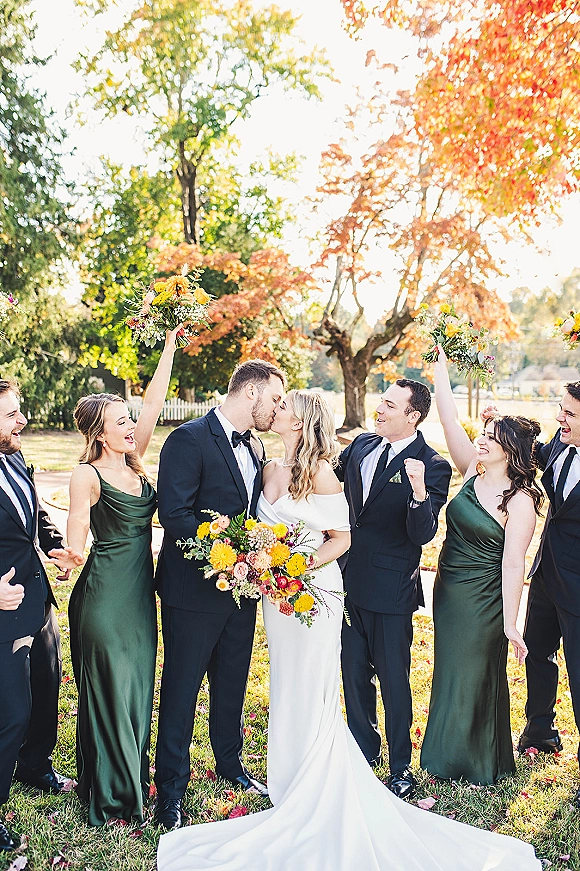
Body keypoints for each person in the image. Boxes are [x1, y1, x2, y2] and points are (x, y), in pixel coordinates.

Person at [156, 389, 541, 871]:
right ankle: (287, 773)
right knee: (292, 682)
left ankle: (365, 770)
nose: (275, 412)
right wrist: (259, 565)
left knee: (345, 682)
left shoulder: (392, 468)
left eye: (283, 408)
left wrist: (292, 568)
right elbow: (258, 524)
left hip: (321, 590)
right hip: (279, 598)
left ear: (299, 423)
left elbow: (350, 534)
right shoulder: (271, 462)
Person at [48, 328, 181, 826]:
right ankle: (113, 797)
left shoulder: (137, 462)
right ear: (99, 434)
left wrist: (168, 346)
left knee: (136, 690)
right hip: (102, 599)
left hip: (140, 601)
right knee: (107, 690)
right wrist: (70, 556)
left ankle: (123, 782)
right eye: (119, 423)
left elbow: (152, 404)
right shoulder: (88, 474)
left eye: (129, 421)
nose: (130, 427)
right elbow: (78, 532)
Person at [153, 359, 285, 831]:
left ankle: (230, 765)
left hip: (242, 592)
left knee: (231, 683)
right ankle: (169, 789)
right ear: (250, 393)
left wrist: (252, 563)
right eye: (273, 399)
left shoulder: (255, 444)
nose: (277, 408)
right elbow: (176, 514)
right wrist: (227, 555)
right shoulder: (187, 439)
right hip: (192, 591)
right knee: (182, 690)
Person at [419, 348, 543, 784]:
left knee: (476, 671)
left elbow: (514, 566)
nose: (482, 439)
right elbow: (451, 421)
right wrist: (441, 372)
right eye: (485, 433)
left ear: (510, 451)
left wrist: (511, 623)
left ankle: (473, 761)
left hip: (486, 598)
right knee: (450, 668)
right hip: (449, 590)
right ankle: (442, 755)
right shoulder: (471, 471)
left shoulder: (521, 502)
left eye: (492, 436)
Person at [336, 378, 452, 800]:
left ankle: (400, 766)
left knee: (393, 680)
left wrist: (419, 490)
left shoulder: (433, 465)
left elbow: (422, 534)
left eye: (388, 404)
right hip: (346, 583)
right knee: (352, 675)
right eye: (380, 401)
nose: (379, 409)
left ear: (413, 416)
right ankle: (363, 754)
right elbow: (328, 484)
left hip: (391, 593)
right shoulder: (362, 446)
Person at [0, 378, 79, 853]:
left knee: (47, 689)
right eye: (11, 413)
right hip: (3, 607)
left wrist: (54, 547)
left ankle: (34, 767)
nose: (22, 419)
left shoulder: (15, 458)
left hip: (36, 598)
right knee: (13, 713)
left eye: (19, 410)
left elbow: (35, 520)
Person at [516, 381, 580, 806]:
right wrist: (501, 428)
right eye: (562, 410)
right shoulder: (559, 445)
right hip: (545, 574)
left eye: (570, 414)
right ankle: (540, 730)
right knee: (537, 652)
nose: (560, 419)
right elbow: (529, 455)